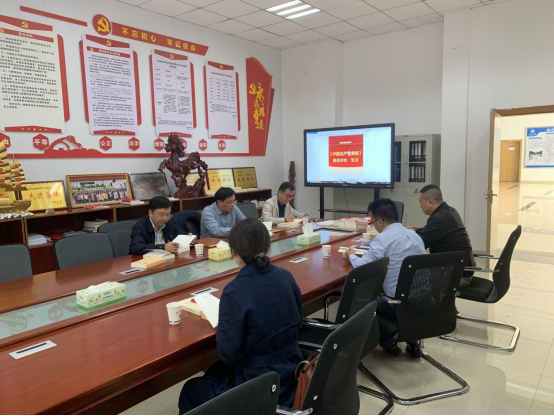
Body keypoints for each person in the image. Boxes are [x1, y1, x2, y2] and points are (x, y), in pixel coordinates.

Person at [178, 219, 304, 414]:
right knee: (214, 372)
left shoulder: (235, 290)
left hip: (257, 385)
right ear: (267, 246)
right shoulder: (286, 275)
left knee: (191, 389)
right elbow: (299, 323)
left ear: (234, 252)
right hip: (292, 373)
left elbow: (229, 355)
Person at [343, 198, 426, 359]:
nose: (373, 226)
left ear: (380, 221)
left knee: (358, 298)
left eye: (372, 222)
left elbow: (362, 267)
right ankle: (413, 342)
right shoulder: (415, 236)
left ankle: (386, 342)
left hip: (396, 306)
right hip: (422, 303)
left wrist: (351, 255)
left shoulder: (383, 239)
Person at [407, 185, 476, 288]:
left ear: (430, 202)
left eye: (421, 202)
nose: (420, 206)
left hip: (456, 275)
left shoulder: (440, 217)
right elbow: (430, 231)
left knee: (409, 278)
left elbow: (421, 243)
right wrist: (415, 230)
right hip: (458, 268)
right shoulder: (449, 211)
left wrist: (411, 233)